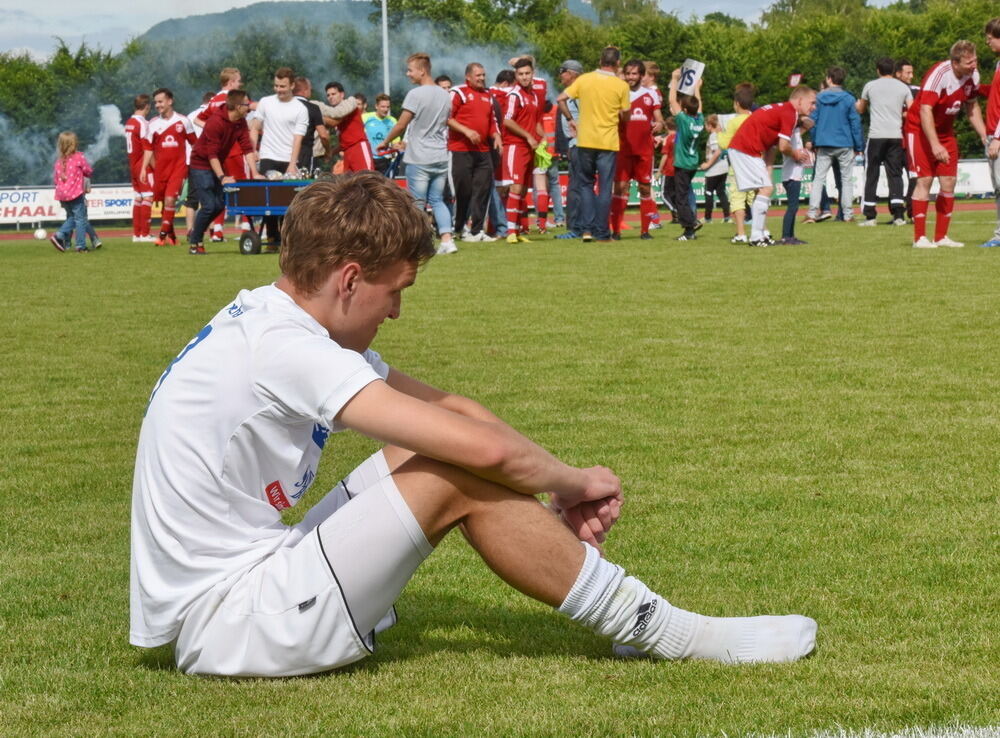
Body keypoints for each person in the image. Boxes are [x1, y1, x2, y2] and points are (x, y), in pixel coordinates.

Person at [129, 171, 819, 678]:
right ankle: (663, 630)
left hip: (244, 588)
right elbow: (477, 448)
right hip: (233, 624)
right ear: (347, 279)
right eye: (393, 292)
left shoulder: (270, 316)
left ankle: (637, 617)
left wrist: (553, 490)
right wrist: (578, 480)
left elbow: (451, 411)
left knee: (427, 445)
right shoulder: (285, 350)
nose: (394, 313)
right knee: (453, 469)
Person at [905, 40, 987, 248]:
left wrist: (985, 135)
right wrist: (934, 145)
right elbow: (925, 110)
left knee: (949, 181)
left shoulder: (973, 76)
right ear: (955, 62)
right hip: (920, 130)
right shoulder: (939, 75)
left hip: (945, 132)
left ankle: (941, 237)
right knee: (924, 180)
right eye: (969, 62)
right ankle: (919, 238)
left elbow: (972, 107)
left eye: (975, 60)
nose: (973, 66)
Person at [380, 52, 457, 254]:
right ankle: (447, 240)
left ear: (422, 71)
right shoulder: (445, 94)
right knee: (438, 200)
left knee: (417, 203)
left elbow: (401, 124)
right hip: (440, 156)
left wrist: (386, 142)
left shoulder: (415, 95)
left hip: (420, 157)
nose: (407, 74)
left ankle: (418, 244)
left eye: (410, 70)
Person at [557, 46, 631, 243]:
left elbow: (561, 99)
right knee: (605, 188)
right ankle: (602, 233)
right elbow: (626, 115)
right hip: (608, 142)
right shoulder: (621, 86)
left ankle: (587, 230)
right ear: (617, 64)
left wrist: (571, 119)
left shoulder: (584, 79)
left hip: (585, 140)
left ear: (600, 61)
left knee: (585, 185)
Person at [729, 86, 817, 247]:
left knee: (763, 189)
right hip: (745, 149)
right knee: (766, 190)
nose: (814, 107)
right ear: (800, 100)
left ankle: (763, 234)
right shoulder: (789, 113)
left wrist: (768, 169)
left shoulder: (783, 110)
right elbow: (784, 146)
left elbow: (773, 146)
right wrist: (796, 154)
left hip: (743, 148)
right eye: (812, 103)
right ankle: (756, 237)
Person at [187, 89, 260, 255]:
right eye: (246, 104)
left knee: (220, 205)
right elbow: (211, 153)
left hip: (216, 163)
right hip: (201, 164)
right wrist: (222, 177)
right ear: (236, 106)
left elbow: (247, 148)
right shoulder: (216, 122)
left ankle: (196, 235)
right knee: (209, 205)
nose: (249, 107)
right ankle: (195, 242)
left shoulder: (240, 122)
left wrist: (255, 173)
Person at [252, 67, 309, 250]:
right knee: (269, 201)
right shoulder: (265, 102)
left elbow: (297, 138)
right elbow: (255, 126)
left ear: (292, 85)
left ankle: (287, 239)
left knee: (288, 203)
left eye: (283, 86)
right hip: (268, 156)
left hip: (288, 159)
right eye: (276, 85)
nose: (279, 89)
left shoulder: (300, 108)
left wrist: (293, 164)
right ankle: (271, 239)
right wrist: (253, 149)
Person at [195, 67, 252, 243]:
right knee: (242, 186)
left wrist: (211, 134)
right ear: (231, 82)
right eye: (238, 80)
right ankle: (246, 227)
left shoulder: (213, 99)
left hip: (217, 153)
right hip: (231, 150)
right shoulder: (234, 100)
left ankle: (217, 230)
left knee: (218, 193)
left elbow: (197, 119)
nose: (240, 83)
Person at [610, 59, 664, 241]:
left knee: (645, 189)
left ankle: (645, 231)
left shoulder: (651, 94)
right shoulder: (618, 94)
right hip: (623, 149)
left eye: (634, 74)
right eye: (628, 73)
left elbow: (659, 119)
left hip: (644, 150)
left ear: (641, 75)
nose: (631, 77)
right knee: (620, 188)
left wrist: (659, 124)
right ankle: (615, 230)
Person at [447, 62, 501, 243]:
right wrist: (467, 131)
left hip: (483, 151)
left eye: (484, 75)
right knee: (464, 191)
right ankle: (459, 227)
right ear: (468, 77)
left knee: (482, 190)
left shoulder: (488, 95)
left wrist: (496, 135)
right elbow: (447, 118)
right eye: (478, 75)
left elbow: (492, 121)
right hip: (460, 150)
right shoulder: (458, 92)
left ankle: (477, 231)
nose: (482, 78)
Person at [856, 58, 912, 227]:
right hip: (896, 135)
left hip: (876, 135)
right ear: (894, 70)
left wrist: (857, 105)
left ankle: (870, 216)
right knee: (895, 174)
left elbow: (861, 108)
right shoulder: (903, 87)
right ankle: (898, 215)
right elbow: (912, 109)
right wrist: (898, 115)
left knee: (871, 173)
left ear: (878, 70)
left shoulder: (870, 85)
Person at [140, 88, 197, 246]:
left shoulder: (183, 121)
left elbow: (195, 144)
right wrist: (144, 168)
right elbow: (148, 149)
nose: (157, 105)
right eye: (156, 102)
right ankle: (172, 236)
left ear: (170, 101)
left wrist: (198, 163)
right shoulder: (152, 124)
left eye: (160, 101)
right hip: (160, 170)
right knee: (165, 203)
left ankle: (162, 235)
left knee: (171, 199)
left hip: (178, 168)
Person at [806, 67, 863, 223]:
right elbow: (855, 123)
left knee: (818, 179)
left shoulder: (818, 99)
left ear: (829, 79)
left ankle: (811, 214)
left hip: (824, 144)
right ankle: (848, 214)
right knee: (846, 180)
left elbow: (812, 122)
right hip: (845, 143)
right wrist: (859, 146)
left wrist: (815, 140)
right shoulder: (849, 99)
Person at [498, 57, 541, 244]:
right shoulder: (515, 95)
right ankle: (510, 232)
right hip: (515, 146)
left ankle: (516, 229)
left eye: (527, 73)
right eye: (521, 74)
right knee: (515, 187)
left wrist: (542, 138)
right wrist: (528, 136)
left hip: (528, 147)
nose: (524, 77)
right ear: (516, 75)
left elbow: (533, 122)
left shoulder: (533, 96)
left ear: (533, 74)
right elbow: (507, 120)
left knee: (523, 189)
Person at [667, 68, 704, 242]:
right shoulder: (699, 120)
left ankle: (690, 226)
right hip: (693, 163)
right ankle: (690, 227)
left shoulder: (684, 120)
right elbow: (699, 104)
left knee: (679, 197)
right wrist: (697, 88)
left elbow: (671, 100)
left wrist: (674, 80)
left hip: (682, 163)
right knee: (684, 194)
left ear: (684, 109)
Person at [717, 83, 755, 244]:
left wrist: (719, 132)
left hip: (738, 165)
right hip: (755, 164)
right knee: (756, 199)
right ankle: (761, 230)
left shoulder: (733, 122)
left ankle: (741, 233)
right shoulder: (756, 119)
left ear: (737, 103)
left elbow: (724, 144)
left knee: (737, 199)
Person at [554, 60, 585, 241]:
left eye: (563, 71)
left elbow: (561, 102)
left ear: (573, 73)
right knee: (580, 187)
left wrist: (571, 120)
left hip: (579, 144)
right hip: (576, 143)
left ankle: (576, 227)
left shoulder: (577, 92)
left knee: (576, 188)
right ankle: (581, 225)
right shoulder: (578, 91)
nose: (561, 75)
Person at [50, 131, 93, 253]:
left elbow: (55, 180)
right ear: (74, 144)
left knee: (72, 218)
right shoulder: (79, 157)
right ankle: (77, 244)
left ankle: (64, 239)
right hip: (75, 193)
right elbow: (88, 171)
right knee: (79, 219)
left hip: (62, 195)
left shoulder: (58, 161)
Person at [979, 18, 1000, 248]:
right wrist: (974, 88)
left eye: (990, 39)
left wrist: (998, 138)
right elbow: (995, 94)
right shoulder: (998, 65)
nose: (988, 43)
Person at [324, 82, 374, 173]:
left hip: (358, 148)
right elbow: (345, 142)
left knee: (368, 181)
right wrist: (331, 153)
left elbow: (333, 122)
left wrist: (315, 114)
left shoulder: (348, 105)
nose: (330, 97)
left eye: (333, 94)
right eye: (328, 95)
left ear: (342, 94)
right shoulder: (337, 112)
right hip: (347, 152)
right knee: (349, 185)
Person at [124, 94, 154, 243]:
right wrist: (148, 168)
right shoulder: (143, 123)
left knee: (138, 197)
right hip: (142, 164)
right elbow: (148, 148)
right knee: (148, 196)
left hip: (132, 163)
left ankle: (136, 234)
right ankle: (145, 234)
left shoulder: (129, 122)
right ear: (147, 107)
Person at [779, 119, 814, 245]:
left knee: (794, 207)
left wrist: (802, 116)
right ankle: (786, 236)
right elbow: (787, 151)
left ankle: (790, 236)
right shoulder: (791, 135)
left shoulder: (797, 133)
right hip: (791, 176)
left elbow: (811, 123)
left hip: (794, 175)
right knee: (792, 207)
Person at [293, 77, 330, 175]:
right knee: (304, 185)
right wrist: (328, 151)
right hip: (305, 154)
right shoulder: (312, 108)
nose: (311, 92)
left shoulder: (284, 106)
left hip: (284, 153)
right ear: (305, 90)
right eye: (311, 89)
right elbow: (323, 135)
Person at [700, 114, 730, 225]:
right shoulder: (721, 134)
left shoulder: (713, 135)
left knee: (708, 192)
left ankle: (708, 218)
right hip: (724, 168)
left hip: (714, 170)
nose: (704, 127)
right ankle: (727, 217)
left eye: (705, 125)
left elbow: (717, 152)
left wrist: (707, 164)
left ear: (709, 125)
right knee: (721, 192)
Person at [364, 94, 400, 175]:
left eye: (388, 107)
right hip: (368, 159)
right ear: (376, 106)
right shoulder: (366, 118)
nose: (386, 109)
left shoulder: (392, 121)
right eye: (383, 107)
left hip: (384, 159)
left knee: (382, 186)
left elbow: (396, 141)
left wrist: (396, 145)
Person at [657, 117, 677, 220]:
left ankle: (675, 210)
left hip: (669, 169)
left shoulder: (668, 139)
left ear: (666, 127)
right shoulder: (680, 137)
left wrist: (659, 171)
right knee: (674, 194)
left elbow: (664, 155)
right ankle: (675, 217)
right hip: (678, 169)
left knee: (664, 195)